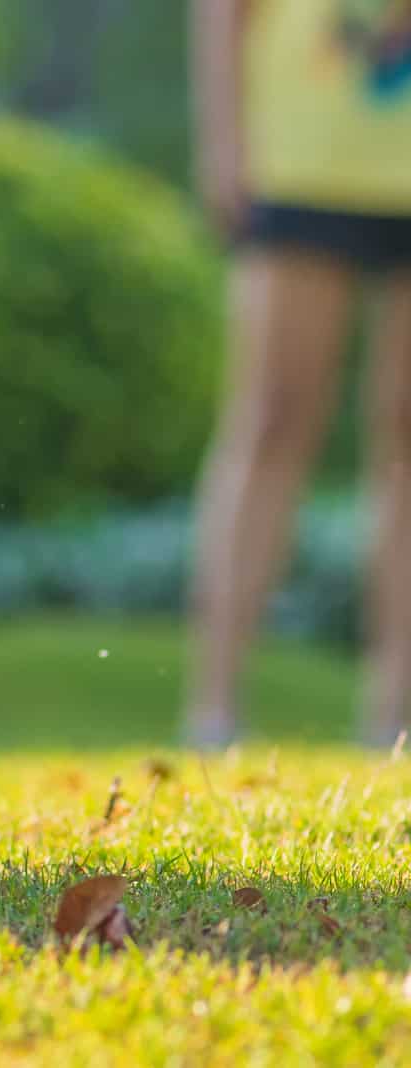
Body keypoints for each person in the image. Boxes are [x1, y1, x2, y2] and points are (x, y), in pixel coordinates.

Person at [187, 0, 411, 747]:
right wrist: (224, 139)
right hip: (299, 160)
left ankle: (394, 714)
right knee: (275, 416)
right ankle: (214, 704)